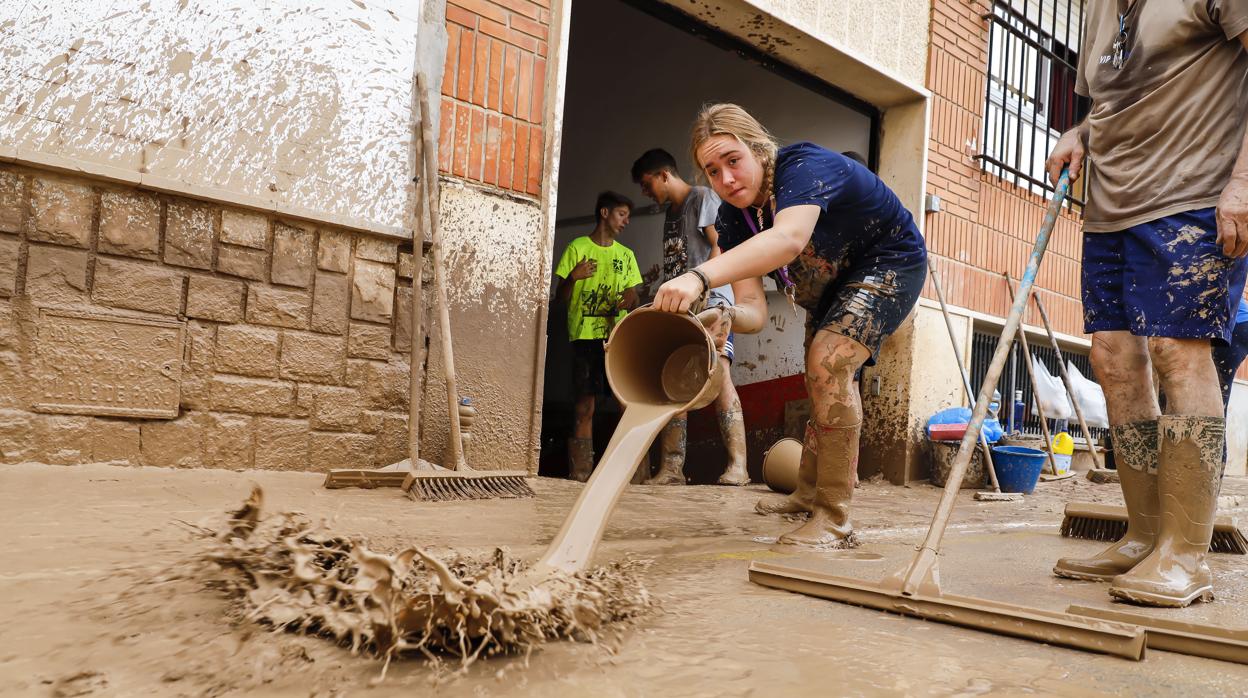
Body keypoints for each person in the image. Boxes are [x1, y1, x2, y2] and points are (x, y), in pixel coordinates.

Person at [1045, 4, 1248, 607]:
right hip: (1111, 209)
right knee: (1111, 357)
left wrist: (1244, 182)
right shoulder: (1098, 9)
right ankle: (1143, 536)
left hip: (1194, 193)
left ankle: (1186, 557)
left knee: (1176, 350)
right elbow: (1105, 103)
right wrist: (1079, 132)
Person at [652, 104, 927, 548]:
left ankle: (834, 516)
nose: (726, 179)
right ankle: (807, 492)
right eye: (712, 170)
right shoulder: (732, 218)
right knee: (816, 377)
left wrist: (699, 276)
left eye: (733, 161)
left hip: (890, 263)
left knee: (828, 366)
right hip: (833, 288)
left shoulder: (803, 166)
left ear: (758, 149)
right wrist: (722, 317)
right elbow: (753, 310)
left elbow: (788, 240)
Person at [630, 148, 750, 486]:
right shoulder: (671, 213)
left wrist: (706, 291)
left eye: (646, 183)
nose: (645, 192)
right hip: (683, 307)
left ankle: (738, 465)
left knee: (720, 375)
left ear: (665, 175)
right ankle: (672, 468)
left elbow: (720, 247)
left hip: (712, 301)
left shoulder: (702, 198)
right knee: (677, 380)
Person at [554, 191, 643, 481]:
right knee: (585, 407)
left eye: (628, 216)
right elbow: (560, 298)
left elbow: (635, 298)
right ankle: (581, 477)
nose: (626, 221)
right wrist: (572, 277)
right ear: (604, 213)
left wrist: (632, 296)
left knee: (627, 404)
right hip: (584, 339)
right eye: (622, 214)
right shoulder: (577, 248)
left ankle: (632, 476)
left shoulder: (626, 256)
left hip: (617, 339)